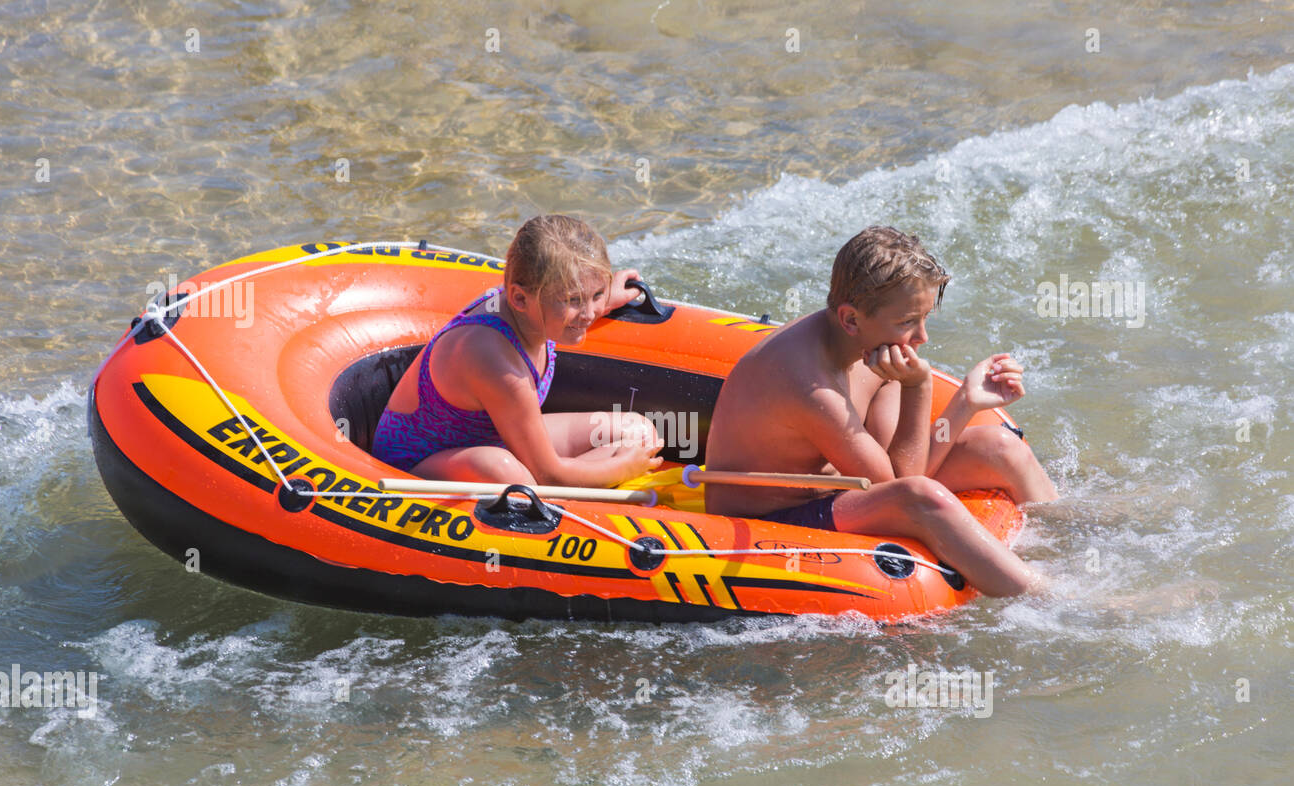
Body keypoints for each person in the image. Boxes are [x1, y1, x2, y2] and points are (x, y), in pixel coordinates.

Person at [703, 225, 1058, 596]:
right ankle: (1046, 596)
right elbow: (902, 491)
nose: (922, 337)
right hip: (766, 521)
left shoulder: (871, 350)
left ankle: (1067, 534)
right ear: (851, 320)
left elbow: (906, 466)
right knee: (925, 499)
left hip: (844, 488)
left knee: (999, 446)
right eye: (908, 323)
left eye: (924, 319)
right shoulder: (810, 387)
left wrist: (966, 402)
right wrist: (918, 386)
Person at [373, 215, 663, 486]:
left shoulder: (537, 312)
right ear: (519, 298)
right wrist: (623, 468)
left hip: (493, 438)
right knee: (508, 473)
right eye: (574, 300)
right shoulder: (492, 358)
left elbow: (571, 306)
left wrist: (605, 298)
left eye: (596, 294)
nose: (588, 313)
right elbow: (548, 474)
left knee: (637, 433)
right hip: (420, 465)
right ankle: (571, 494)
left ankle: (575, 484)